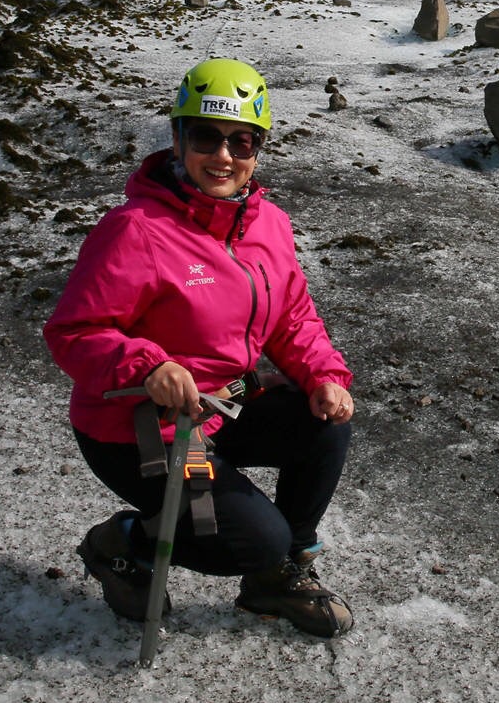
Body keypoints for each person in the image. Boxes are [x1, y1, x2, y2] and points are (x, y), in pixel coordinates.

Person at [45, 57, 356, 638]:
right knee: (251, 539)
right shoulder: (135, 230)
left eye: (242, 141)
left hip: (222, 409)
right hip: (148, 428)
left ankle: (277, 577)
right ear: (177, 137)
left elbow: (291, 315)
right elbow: (73, 333)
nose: (224, 156)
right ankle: (125, 543)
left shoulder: (269, 224)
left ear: (258, 149)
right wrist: (149, 363)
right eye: (206, 137)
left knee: (324, 424)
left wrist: (323, 375)